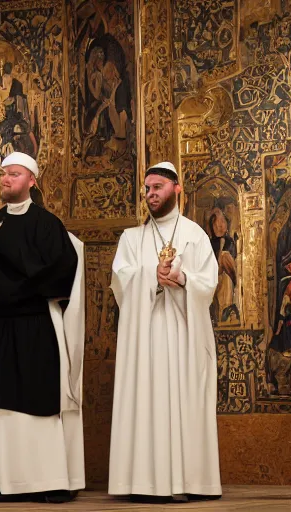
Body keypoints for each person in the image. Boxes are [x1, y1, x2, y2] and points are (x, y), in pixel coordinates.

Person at [0, 152, 85, 503]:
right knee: (2, 406)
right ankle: (2, 480)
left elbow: (56, 274)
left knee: (41, 403)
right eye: (3, 174)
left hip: (37, 325)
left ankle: (52, 480)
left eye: (15, 174)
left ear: (32, 181)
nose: (6, 179)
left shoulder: (47, 225)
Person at [108, 161, 221, 502]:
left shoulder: (194, 234)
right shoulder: (132, 238)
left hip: (183, 335)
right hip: (145, 337)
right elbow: (119, 281)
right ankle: (144, 482)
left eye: (157, 187)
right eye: (147, 189)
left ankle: (188, 481)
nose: (150, 194)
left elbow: (210, 282)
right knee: (147, 402)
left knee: (183, 402)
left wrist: (183, 279)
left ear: (177, 188)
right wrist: (151, 277)